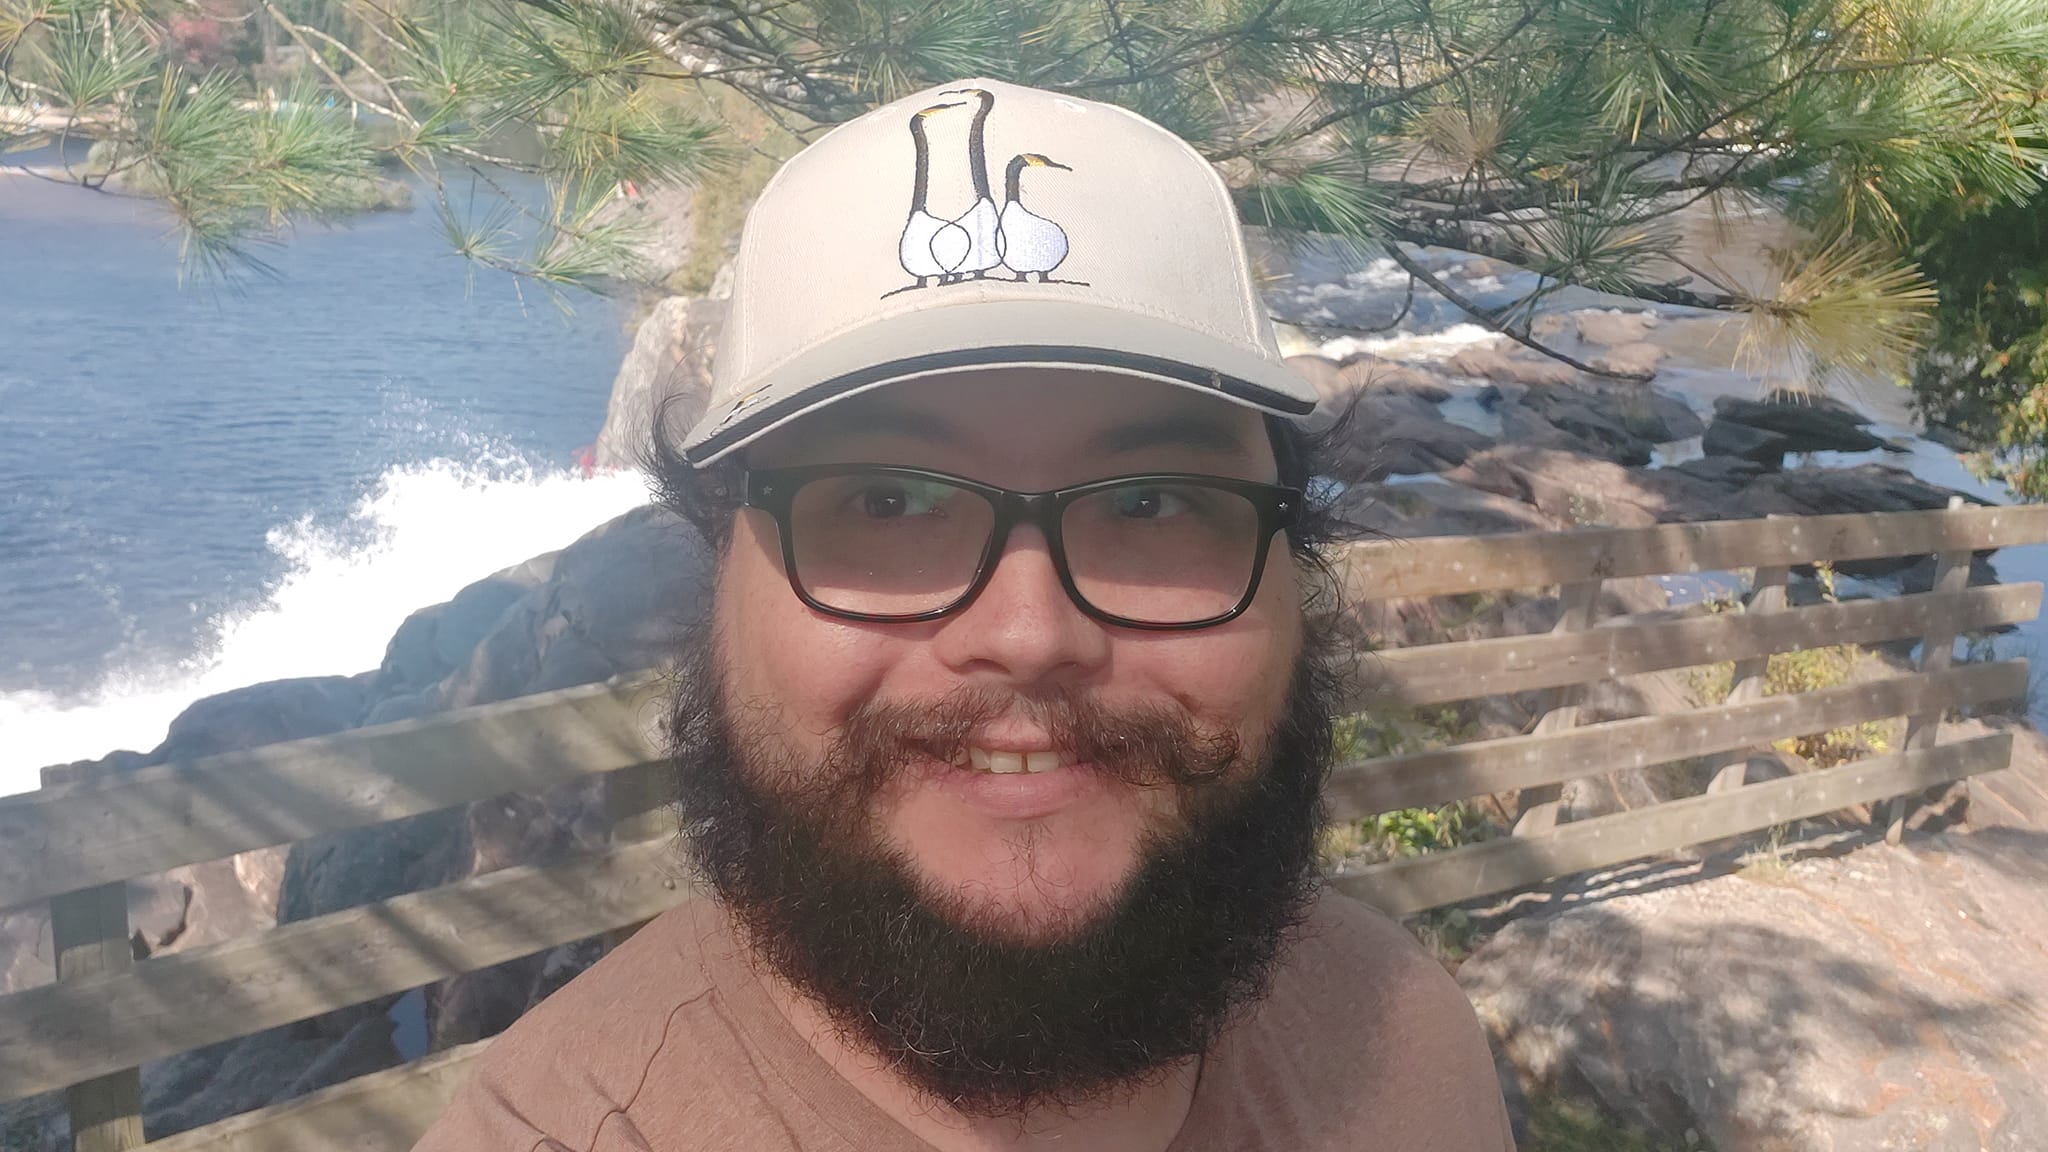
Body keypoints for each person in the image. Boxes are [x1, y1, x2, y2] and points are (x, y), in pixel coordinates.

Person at [415, 77, 1513, 1152]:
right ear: (717, 577)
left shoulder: (1402, 1032)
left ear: (1293, 564)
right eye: (886, 501)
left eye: (1149, 501)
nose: (1027, 635)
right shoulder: (559, 1131)